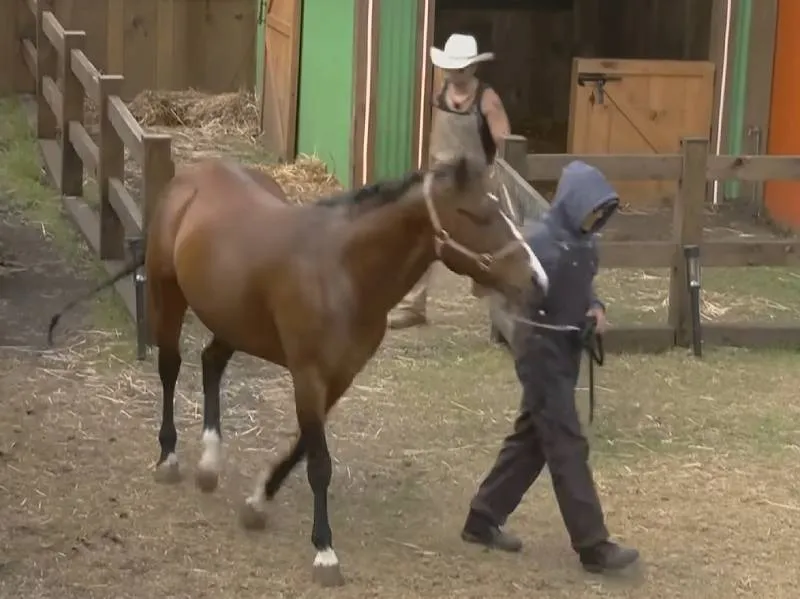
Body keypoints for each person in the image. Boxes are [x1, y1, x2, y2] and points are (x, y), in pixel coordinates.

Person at [460, 160, 640, 574]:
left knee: (534, 438)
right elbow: (498, 281)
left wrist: (595, 308)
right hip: (539, 349)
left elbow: (586, 286)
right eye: (591, 208)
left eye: (601, 211)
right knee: (565, 441)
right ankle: (593, 546)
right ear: (573, 202)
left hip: (567, 348)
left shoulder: (585, 241)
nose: (596, 218)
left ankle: (482, 518)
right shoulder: (538, 243)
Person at [388, 33, 511, 330]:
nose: (453, 74)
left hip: (473, 184)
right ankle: (412, 307)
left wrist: (496, 180)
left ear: (472, 68)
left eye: (459, 68)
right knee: (421, 239)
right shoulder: (440, 90)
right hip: (440, 180)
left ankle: (504, 312)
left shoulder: (487, 99)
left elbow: (507, 144)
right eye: (450, 68)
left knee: (486, 245)